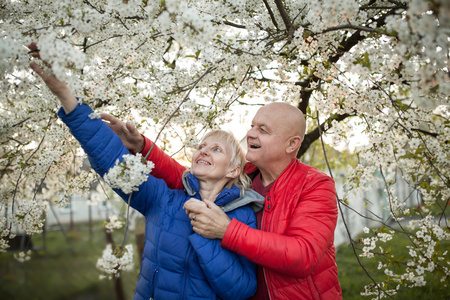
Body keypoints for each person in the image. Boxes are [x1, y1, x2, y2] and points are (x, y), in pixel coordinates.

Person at [28, 42, 264, 300]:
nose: (204, 151)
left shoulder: (242, 218)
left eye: (216, 149)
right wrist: (65, 95)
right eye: (201, 146)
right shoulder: (163, 199)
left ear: (233, 170)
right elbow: (112, 160)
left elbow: (242, 290)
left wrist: (210, 231)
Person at [104, 101, 343, 299]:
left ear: (292, 144)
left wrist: (227, 230)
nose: (250, 133)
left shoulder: (314, 185)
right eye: (252, 126)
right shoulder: (244, 174)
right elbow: (186, 178)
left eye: (263, 130)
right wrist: (143, 147)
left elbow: (302, 255)